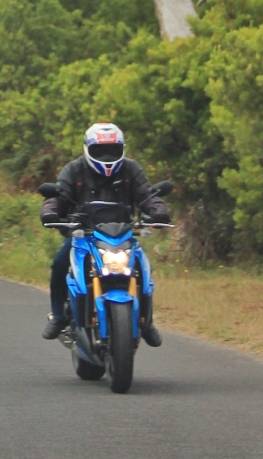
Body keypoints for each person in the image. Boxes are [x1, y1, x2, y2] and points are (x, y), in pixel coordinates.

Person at [40, 121, 169, 345]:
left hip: (122, 235)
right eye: (101, 151)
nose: (107, 156)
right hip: (83, 234)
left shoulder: (131, 168)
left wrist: (159, 212)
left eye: (113, 151)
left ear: (122, 149)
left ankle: (145, 321)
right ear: (88, 149)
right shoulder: (74, 169)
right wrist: (50, 212)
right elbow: (58, 196)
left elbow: (147, 195)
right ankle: (59, 316)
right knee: (60, 264)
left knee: (142, 268)